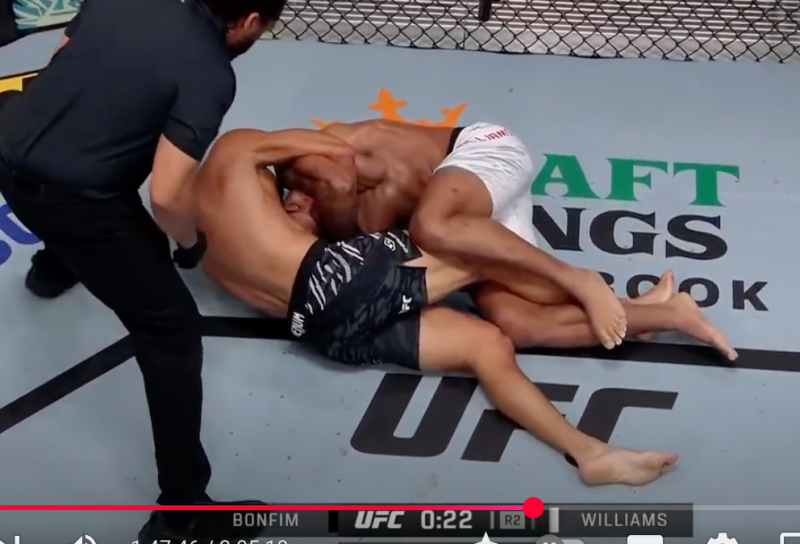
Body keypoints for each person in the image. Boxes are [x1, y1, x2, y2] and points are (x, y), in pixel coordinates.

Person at [193, 127, 737, 486]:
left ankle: (588, 452)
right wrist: (319, 199)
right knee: (479, 257)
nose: (295, 200)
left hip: (312, 329)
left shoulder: (207, 247)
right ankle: (607, 294)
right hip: (333, 278)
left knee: (485, 343)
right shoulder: (239, 147)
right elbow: (334, 159)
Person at [0, 0, 285, 540]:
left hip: (10, 153)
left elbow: (62, 62)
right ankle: (183, 512)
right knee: (172, 331)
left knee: (87, 151)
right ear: (250, 21)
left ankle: (53, 268)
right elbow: (168, 194)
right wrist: (190, 244)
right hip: (78, 203)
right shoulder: (209, 72)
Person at [277, 122, 737, 359]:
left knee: (430, 225)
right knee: (517, 323)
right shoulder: (355, 230)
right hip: (474, 214)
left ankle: (582, 280)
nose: (307, 219)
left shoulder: (305, 164)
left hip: (481, 153)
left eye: (295, 213)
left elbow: (338, 183)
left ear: (290, 198)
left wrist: (336, 235)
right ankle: (660, 313)